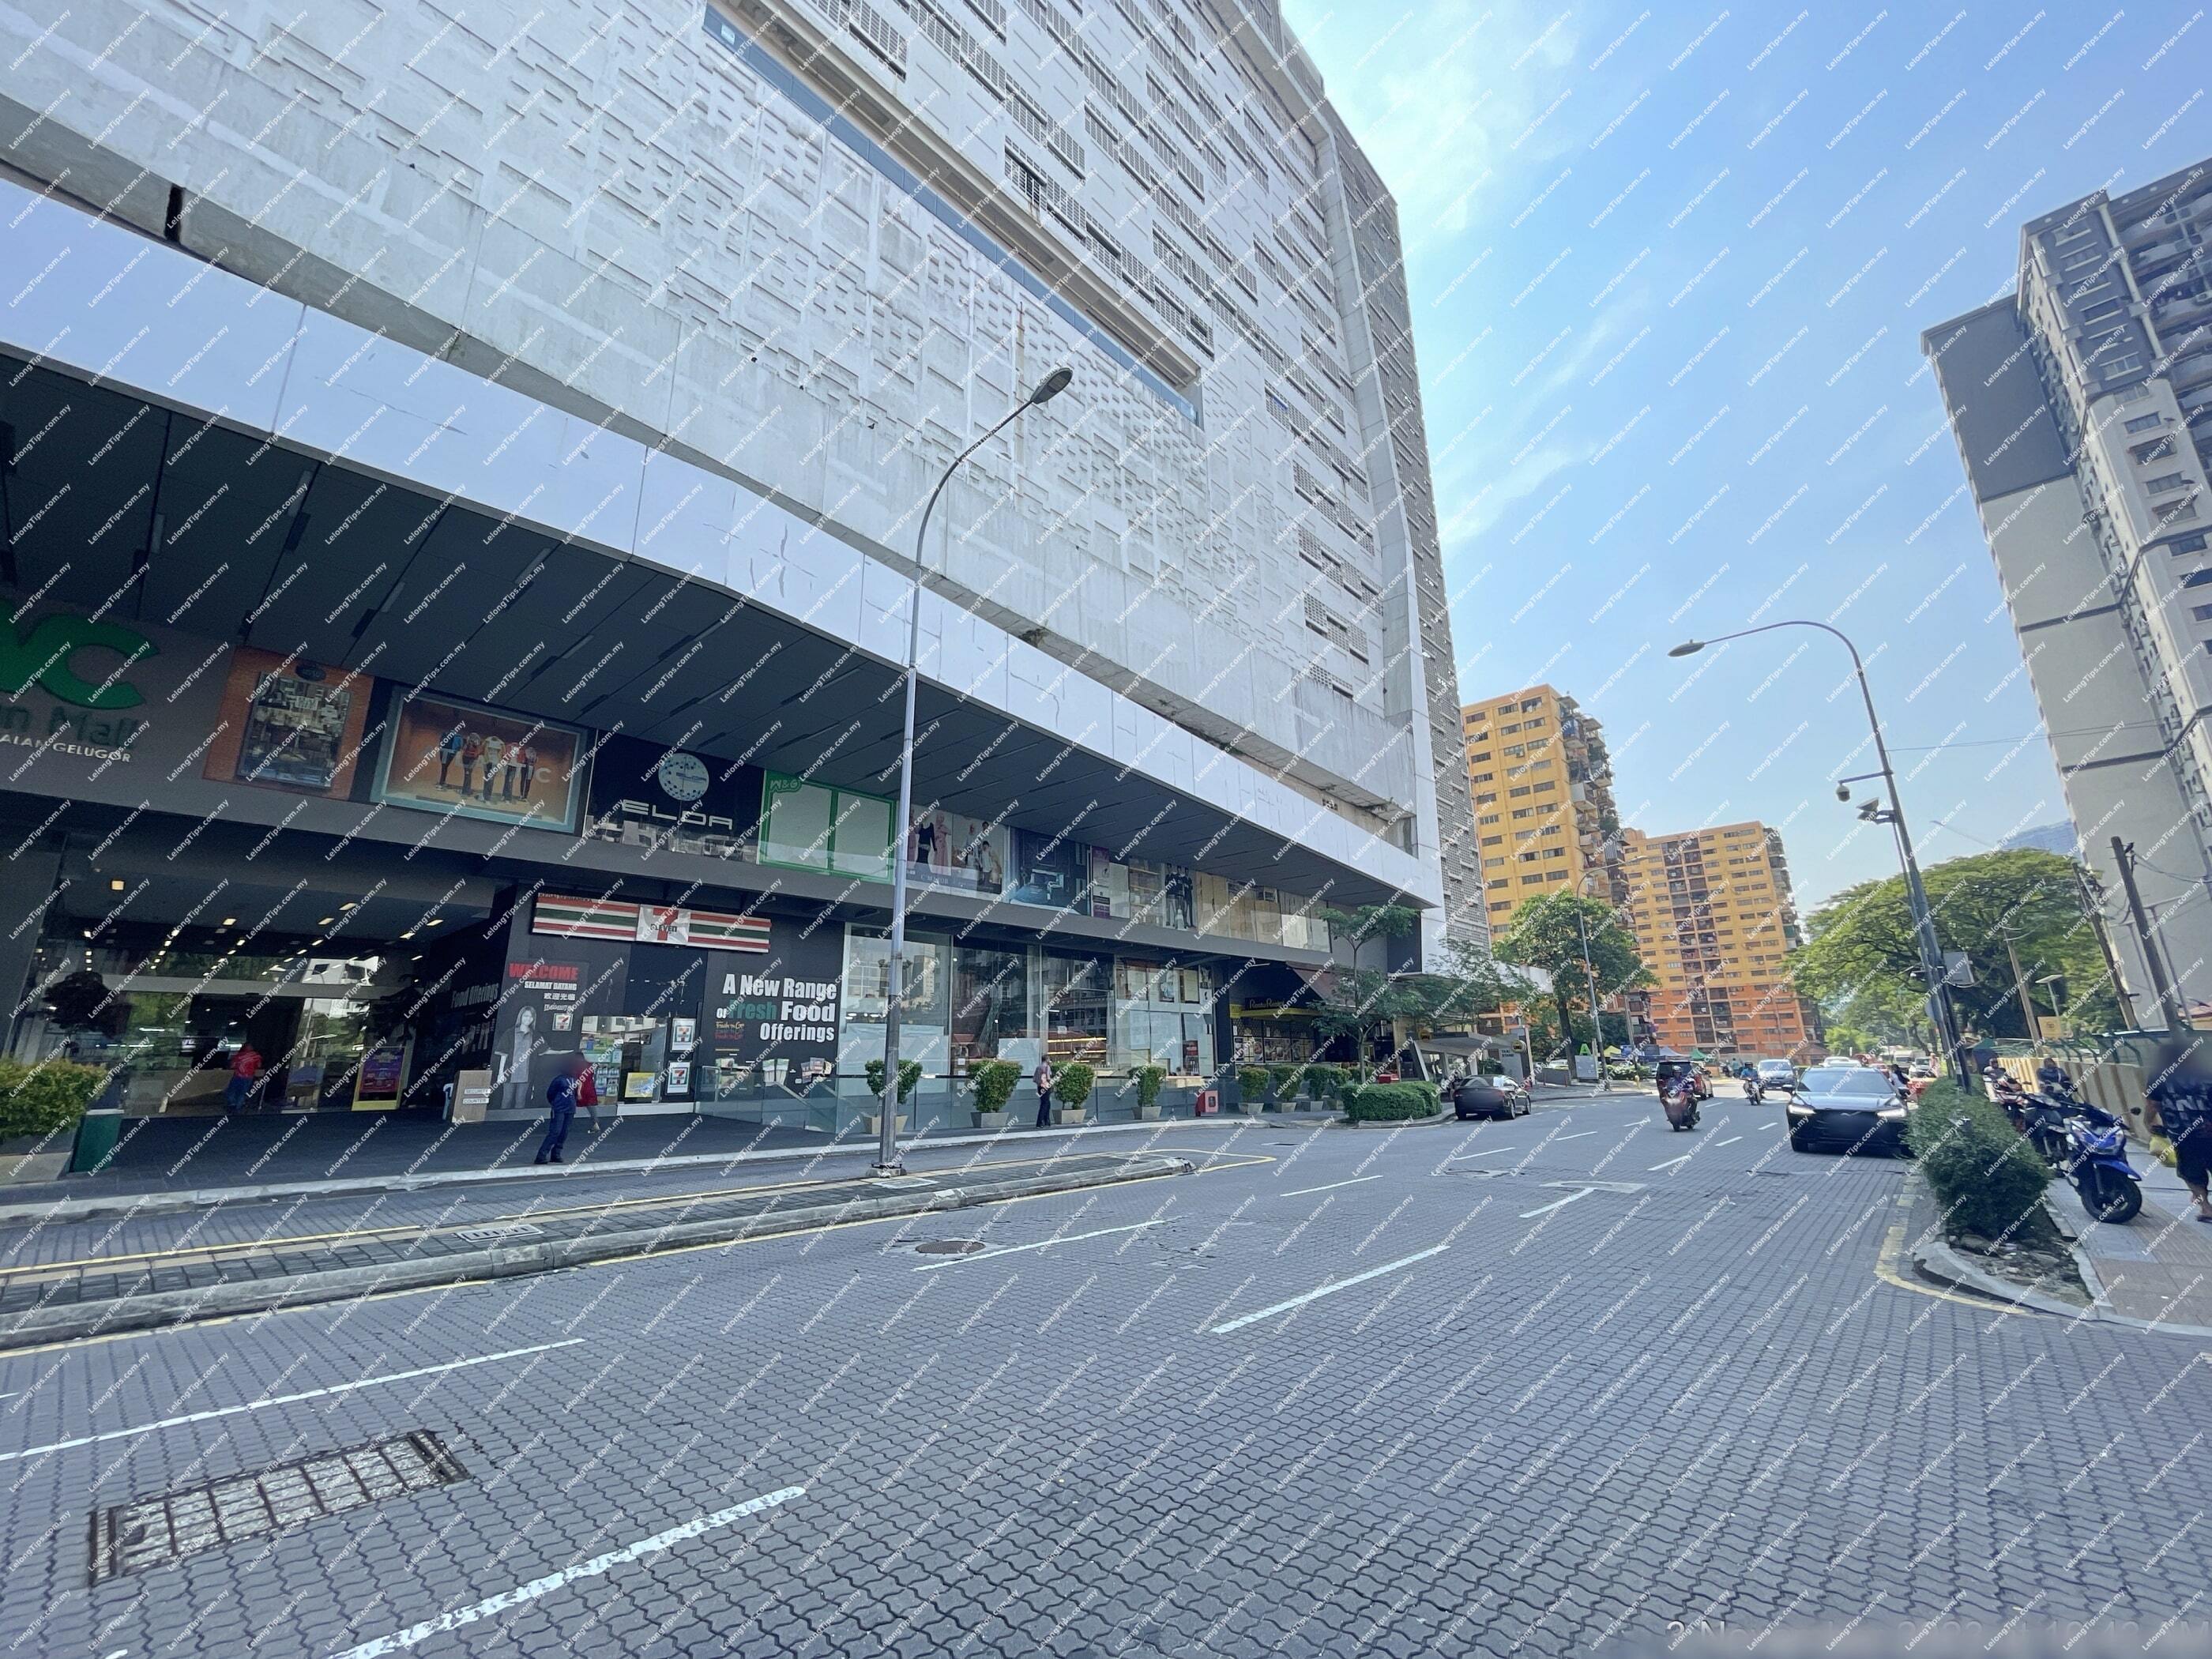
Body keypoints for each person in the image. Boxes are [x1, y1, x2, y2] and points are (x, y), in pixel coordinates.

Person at [2149, 1034, 2212, 1224]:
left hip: (2182, 1131)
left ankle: (2206, 1207)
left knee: (2190, 1169)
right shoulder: (2205, 1073)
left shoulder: (2159, 1075)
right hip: (2208, 1127)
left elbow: (2154, 1104)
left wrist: (2150, 1123)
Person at [536, 1066, 579, 1164]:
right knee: (555, 1132)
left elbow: (576, 1093)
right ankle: (541, 1155)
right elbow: (550, 1093)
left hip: (570, 1109)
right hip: (559, 1109)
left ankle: (556, 1154)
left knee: (564, 1132)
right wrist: (555, 1103)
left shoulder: (574, 1080)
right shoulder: (559, 1080)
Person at [226, 1042, 262, 1112]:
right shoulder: (256, 1056)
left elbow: (232, 1066)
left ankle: (232, 1105)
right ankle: (238, 1107)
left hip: (238, 1076)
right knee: (242, 1092)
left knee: (232, 1091)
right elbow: (259, 1065)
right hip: (248, 1077)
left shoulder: (239, 1056)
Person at [1033, 1055, 1055, 1129]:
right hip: (1046, 1086)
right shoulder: (1047, 1067)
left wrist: (1040, 1083)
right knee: (1045, 1104)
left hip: (1040, 1087)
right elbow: (1048, 1078)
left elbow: (1035, 1079)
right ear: (1046, 1059)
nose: (1049, 1060)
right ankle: (1040, 1122)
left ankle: (1047, 1121)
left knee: (1046, 1103)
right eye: (1049, 1059)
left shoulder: (1038, 1067)